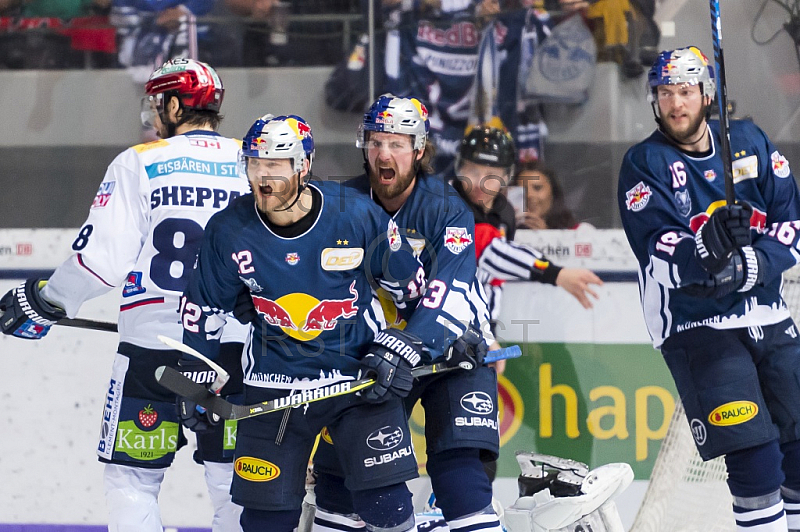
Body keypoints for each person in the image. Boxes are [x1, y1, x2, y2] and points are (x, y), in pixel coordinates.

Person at [0, 58, 250, 531]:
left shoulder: (140, 160)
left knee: (132, 483)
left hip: (153, 355)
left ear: (175, 104)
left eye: (157, 102)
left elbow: (100, 261)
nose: (153, 113)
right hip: (237, 353)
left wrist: (48, 300)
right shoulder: (254, 162)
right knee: (234, 487)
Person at [176, 113, 433, 532]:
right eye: (254, 164)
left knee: (387, 509)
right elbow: (204, 313)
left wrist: (413, 344)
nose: (263, 176)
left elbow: (414, 292)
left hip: (356, 383)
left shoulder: (356, 215)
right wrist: (195, 379)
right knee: (264, 519)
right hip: (275, 386)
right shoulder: (229, 229)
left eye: (275, 166)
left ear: (303, 166)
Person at [618, 46, 800, 531]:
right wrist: (709, 243)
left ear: (707, 93)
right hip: (697, 325)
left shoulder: (750, 141)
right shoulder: (644, 163)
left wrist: (755, 263)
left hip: (768, 316)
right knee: (755, 462)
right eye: (665, 92)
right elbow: (659, 251)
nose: (676, 103)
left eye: (685, 90)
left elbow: (793, 223)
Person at [312, 94, 503, 532]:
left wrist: (405, 345)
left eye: (397, 144)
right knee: (338, 488)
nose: (384, 154)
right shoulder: (340, 205)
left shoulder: (446, 206)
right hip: (372, 359)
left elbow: (448, 292)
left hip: (452, 352)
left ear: (419, 150)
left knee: (460, 480)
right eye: (376, 142)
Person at [452, 124, 603, 370]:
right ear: (459, 168)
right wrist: (556, 273)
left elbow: (489, 281)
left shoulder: (505, 212)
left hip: (477, 336)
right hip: (440, 332)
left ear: (505, 175)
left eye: (491, 171)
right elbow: (490, 250)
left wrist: (488, 336)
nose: (481, 181)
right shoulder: (445, 205)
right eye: (472, 169)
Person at [513, 161, 588, 230]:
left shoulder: (579, 232)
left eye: (537, 188)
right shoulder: (504, 233)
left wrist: (546, 235)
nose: (529, 195)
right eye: (522, 190)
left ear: (553, 193)